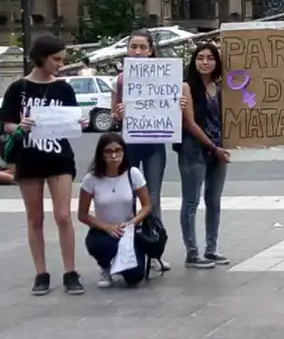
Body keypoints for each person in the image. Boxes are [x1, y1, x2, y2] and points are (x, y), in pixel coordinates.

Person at [0, 36, 84, 295]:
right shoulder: (18, 88)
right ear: (41, 58)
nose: (60, 64)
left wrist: (76, 124)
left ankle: (70, 271)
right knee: (34, 218)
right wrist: (20, 126)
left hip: (59, 157)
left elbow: (71, 119)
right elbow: (4, 123)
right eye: (56, 59)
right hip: (30, 157)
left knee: (63, 215)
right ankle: (41, 273)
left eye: (62, 59)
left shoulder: (64, 88)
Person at [111, 29, 174, 272]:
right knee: (125, 199)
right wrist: (118, 113)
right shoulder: (120, 79)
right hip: (129, 144)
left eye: (142, 47)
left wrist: (178, 104)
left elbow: (172, 109)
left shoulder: (165, 76)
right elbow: (113, 114)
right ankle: (125, 251)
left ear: (151, 51)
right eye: (133, 46)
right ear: (127, 50)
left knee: (153, 198)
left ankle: (155, 251)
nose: (137, 51)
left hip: (155, 144)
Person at [179, 43, 231, 269]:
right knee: (191, 201)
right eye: (200, 57)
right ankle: (192, 253)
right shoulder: (187, 87)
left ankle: (211, 249)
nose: (205, 62)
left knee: (214, 200)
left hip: (218, 150)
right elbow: (189, 123)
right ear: (194, 61)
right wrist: (212, 146)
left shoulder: (220, 87)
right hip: (195, 149)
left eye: (210, 58)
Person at [77, 133, 151, 288]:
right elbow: (82, 215)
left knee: (135, 277)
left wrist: (133, 222)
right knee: (99, 245)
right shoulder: (91, 179)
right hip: (104, 230)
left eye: (118, 150)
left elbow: (147, 206)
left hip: (128, 231)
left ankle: (124, 263)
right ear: (101, 154)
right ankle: (106, 266)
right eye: (108, 152)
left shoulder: (133, 174)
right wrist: (107, 227)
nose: (114, 156)